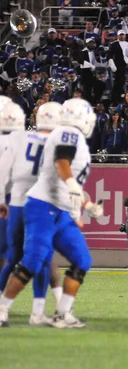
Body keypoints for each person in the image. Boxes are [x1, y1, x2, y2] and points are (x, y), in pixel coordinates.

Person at [0, 98, 102, 328]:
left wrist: (86, 205)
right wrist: (73, 184)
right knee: (33, 261)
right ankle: (2, 307)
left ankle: (62, 313)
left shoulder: (72, 136)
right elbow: (62, 160)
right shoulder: (69, 133)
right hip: (43, 206)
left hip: (61, 210)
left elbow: (67, 181)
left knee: (82, 260)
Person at [0, 102, 64, 325]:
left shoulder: (21, 138)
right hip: (40, 205)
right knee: (44, 258)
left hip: (16, 202)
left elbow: (3, 171)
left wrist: (1, 199)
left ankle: (2, 309)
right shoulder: (57, 143)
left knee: (12, 257)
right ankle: (38, 312)